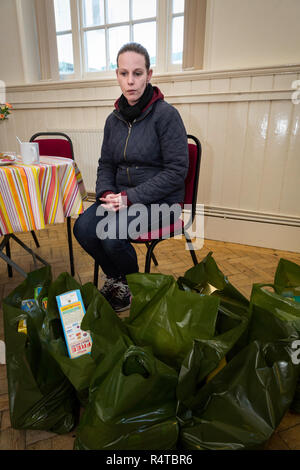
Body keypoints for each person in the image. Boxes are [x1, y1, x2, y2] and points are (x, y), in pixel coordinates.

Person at [73, 42, 189, 312]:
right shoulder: (113, 120)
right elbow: (106, 164)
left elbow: (176, 173)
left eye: (137, 73)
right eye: (124, 74)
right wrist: (105, 194)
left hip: (162, 202)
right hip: (121, 199)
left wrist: (128, 198)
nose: (130, 81)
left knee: (111, 233)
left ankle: (130, 284)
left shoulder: (167, 116)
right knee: (84, 228)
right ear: (117, 75)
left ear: (150, 75)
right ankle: (118, 277)